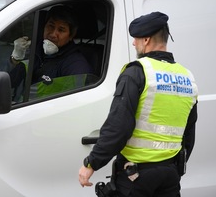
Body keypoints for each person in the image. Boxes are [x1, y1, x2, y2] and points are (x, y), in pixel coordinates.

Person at [78, 12, 198, 197]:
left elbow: (118, 126)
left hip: (137, 177)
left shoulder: (137, 73)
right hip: (170, 175)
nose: (134, 43)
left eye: (136, 39)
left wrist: (91, 163)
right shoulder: (187, 77)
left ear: (147, 40)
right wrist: (173, 167)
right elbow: (188, 133)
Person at [6, 5, 93, 100]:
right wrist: (15, 59)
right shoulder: (34, 50)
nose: (53, 34)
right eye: (50, 26)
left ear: (71, 36)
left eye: (61, 30)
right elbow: (8, 83)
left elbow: (76, 102)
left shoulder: (75, 65)